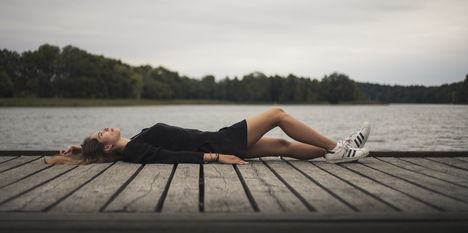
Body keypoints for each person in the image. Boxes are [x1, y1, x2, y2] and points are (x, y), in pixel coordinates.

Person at [43, 107, 370, 165]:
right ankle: (335, 146)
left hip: (219, 140)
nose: (107, 127)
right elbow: (172, 157)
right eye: (102, 132)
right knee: (277, 115)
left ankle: (340, 147)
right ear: (108, 145)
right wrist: (217, 157)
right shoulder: (136, 150)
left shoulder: (132, 145)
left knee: (283, 145)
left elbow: (102, 155)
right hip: (220, 142)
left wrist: (77, 150)